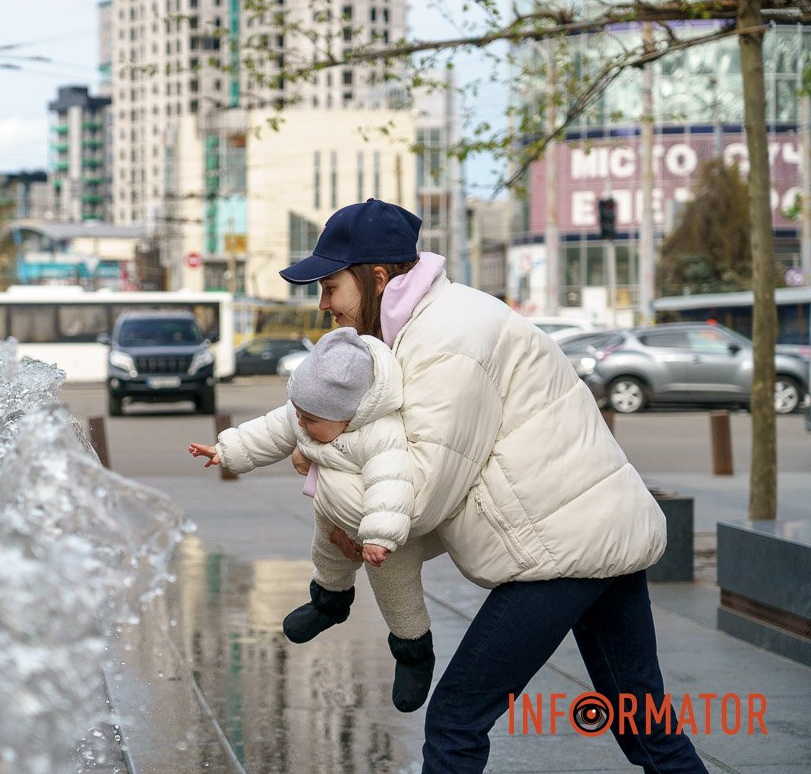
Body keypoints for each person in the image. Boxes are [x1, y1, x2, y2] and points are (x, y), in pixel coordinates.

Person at [279, 198, 707, 774]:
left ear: (377, 277)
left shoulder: (445, 340)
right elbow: (448, 480)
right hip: (594, 530)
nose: (323, 304)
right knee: (645, 728)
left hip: (561, 548)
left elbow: (420, 493)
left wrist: (321, 466)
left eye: (331, 287)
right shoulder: (435, 323)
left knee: (456, 720)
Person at [189, 326, 436, 713]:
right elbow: (269, 431)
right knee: (326, 557)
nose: (301, 425)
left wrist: (378, 536)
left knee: (397, 594)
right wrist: (226, 450)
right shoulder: (308, 412)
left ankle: (413, 653)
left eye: (310, 420)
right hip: (331, 513)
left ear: (348, 417)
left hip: (382, 537)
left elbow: (391, 484)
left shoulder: (381, 434)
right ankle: (328, 604)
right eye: (299, 415)